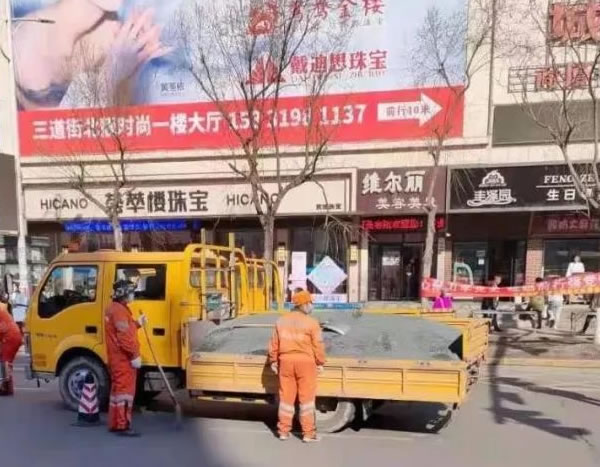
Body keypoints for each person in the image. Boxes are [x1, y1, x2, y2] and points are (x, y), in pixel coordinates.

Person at [13, 0, 171, 110]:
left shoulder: (115, 32)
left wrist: (137, 67)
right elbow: (55, 137)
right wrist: (112, 74)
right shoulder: (24, 45)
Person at [268, 290, 326, 443]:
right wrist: (320, 362)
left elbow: (274, 343)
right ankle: (308, 434)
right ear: (304, 304)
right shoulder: (311, 322)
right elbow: (318, 345)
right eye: (310, 303)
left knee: (286, 399)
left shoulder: (281, 321)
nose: (312, 306)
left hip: (285, 362)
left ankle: (283, 432)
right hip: (306, 363)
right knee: (306, 400)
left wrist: (273, 361)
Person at [105, 279, 146, 436]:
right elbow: (124, 338)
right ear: (123, 294)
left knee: (117, 392)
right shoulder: (119, 312)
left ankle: (115, 422)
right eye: (131, 292)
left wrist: (137, 324)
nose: (133, 295)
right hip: (123, 359)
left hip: (118, 358)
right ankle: (123, 425)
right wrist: (134, 355)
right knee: (125, 393)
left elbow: (125, 330)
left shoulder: (116, 309)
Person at [0, 296, 23, 396]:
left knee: (6, 361)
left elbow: (3, 328)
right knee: (5, 360)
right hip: (14, 335)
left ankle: (6, 387)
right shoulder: (2, 307)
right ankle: (6, 386)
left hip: (10, 337)